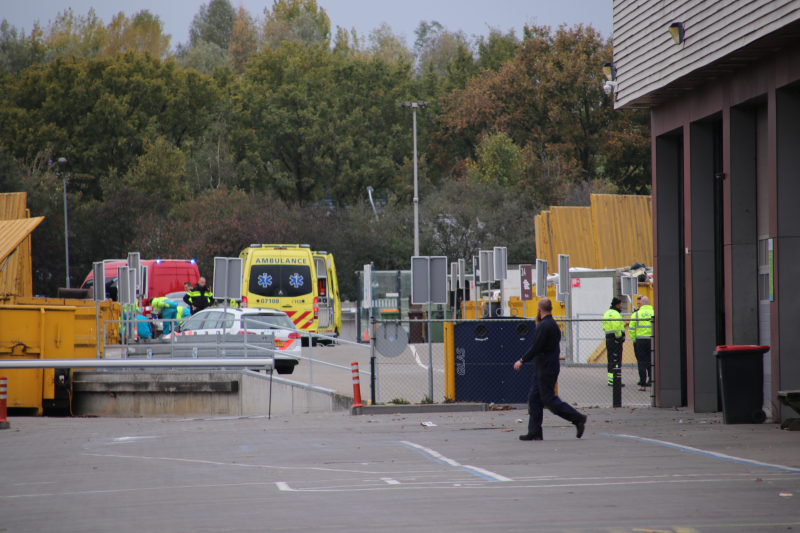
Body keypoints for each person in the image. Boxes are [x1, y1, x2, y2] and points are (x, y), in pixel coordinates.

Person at [513, 298, 587, 441]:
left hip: (546, 368)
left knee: (549, 400)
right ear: (551, 309)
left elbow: (537, 347)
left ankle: (578, 418)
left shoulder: (544, 325)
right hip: (545, 368)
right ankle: (534, 431)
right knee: (534, 398)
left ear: (539, 310)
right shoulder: (553, 324)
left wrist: (522, 360)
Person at [629, 296, 654, 390]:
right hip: (652, 340)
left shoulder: (636, 314)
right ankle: (653, 382)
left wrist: (634, 339)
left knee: (642, 362)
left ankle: (643, 384)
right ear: (649, 303)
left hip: (640, 341)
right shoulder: (654, 313)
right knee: (652, 361)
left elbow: (631, 329)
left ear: (641, 304)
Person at [602, 297, 625, 387]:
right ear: (617, 305)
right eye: (620, 305)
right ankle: (616, 380)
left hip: (608, 338)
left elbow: (603, 327)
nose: (621, 307)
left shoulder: (606, 313)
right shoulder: (615, 314)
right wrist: (619, 337)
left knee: (611, 359)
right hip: (616, 339)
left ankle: (610, 380)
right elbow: (616, 328)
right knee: (617, 360)